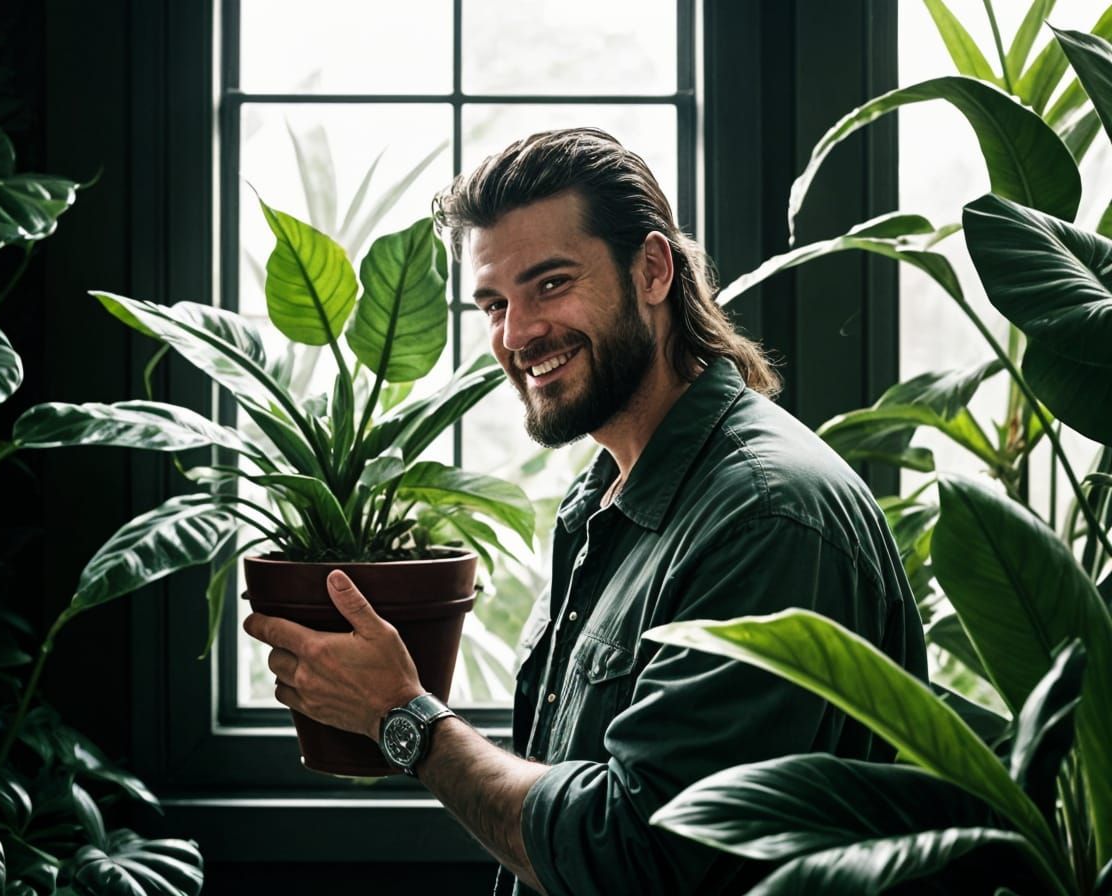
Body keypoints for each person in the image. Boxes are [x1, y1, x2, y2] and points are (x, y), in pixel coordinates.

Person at [244, 127, 927, 895]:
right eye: (494, 303)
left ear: (654, 271)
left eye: (551, 284)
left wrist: (404, 718)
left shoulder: (765, 516)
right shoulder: (604, 495)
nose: (518, 334)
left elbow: (633, 855)